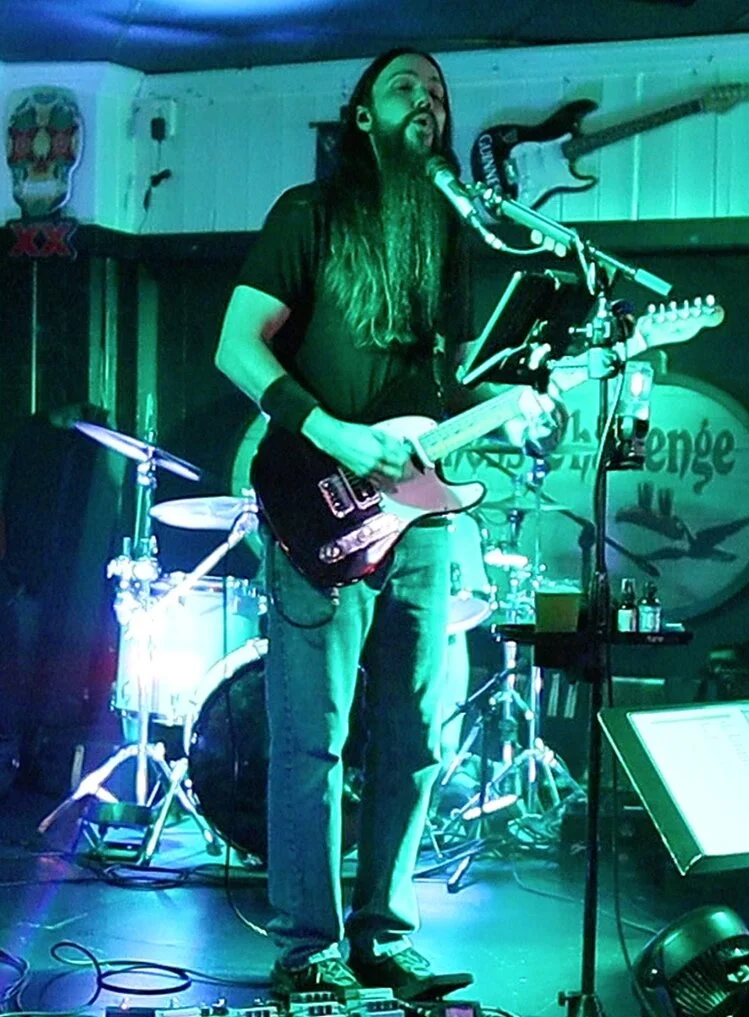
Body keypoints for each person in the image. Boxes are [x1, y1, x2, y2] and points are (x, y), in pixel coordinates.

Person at [215, 48, 557, 1001]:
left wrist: (512, 407)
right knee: (311, 739)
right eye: (406, 86)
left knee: (416, 734)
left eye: (438, 91)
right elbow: (235, 346)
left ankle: (383, 935)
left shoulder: (445, 232)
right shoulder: (309, 213)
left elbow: (439, 390)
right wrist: (332, 432)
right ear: (362, 114)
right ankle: (306, 950)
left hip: (420, 512)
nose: (427, 99)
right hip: (315, 503)